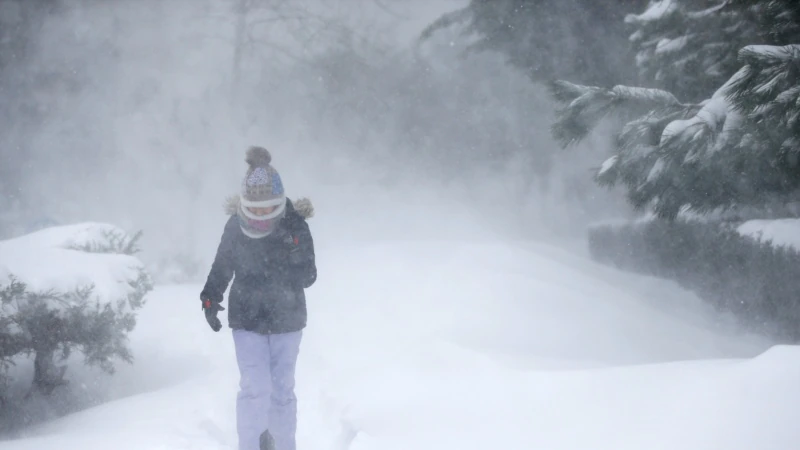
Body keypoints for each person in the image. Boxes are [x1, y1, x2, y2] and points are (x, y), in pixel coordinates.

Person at [200, 146, 316, 450]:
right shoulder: (235, 227)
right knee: (254, 389)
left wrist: (293, 252)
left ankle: (283, 444)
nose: (262, 214)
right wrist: (210, 297)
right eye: (256, 208)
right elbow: (222, 265)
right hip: (247, 319)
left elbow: (309, 277)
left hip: (288, 320)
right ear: (245, 203)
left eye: (268, 208)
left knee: (281, 390)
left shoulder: (294, 225)